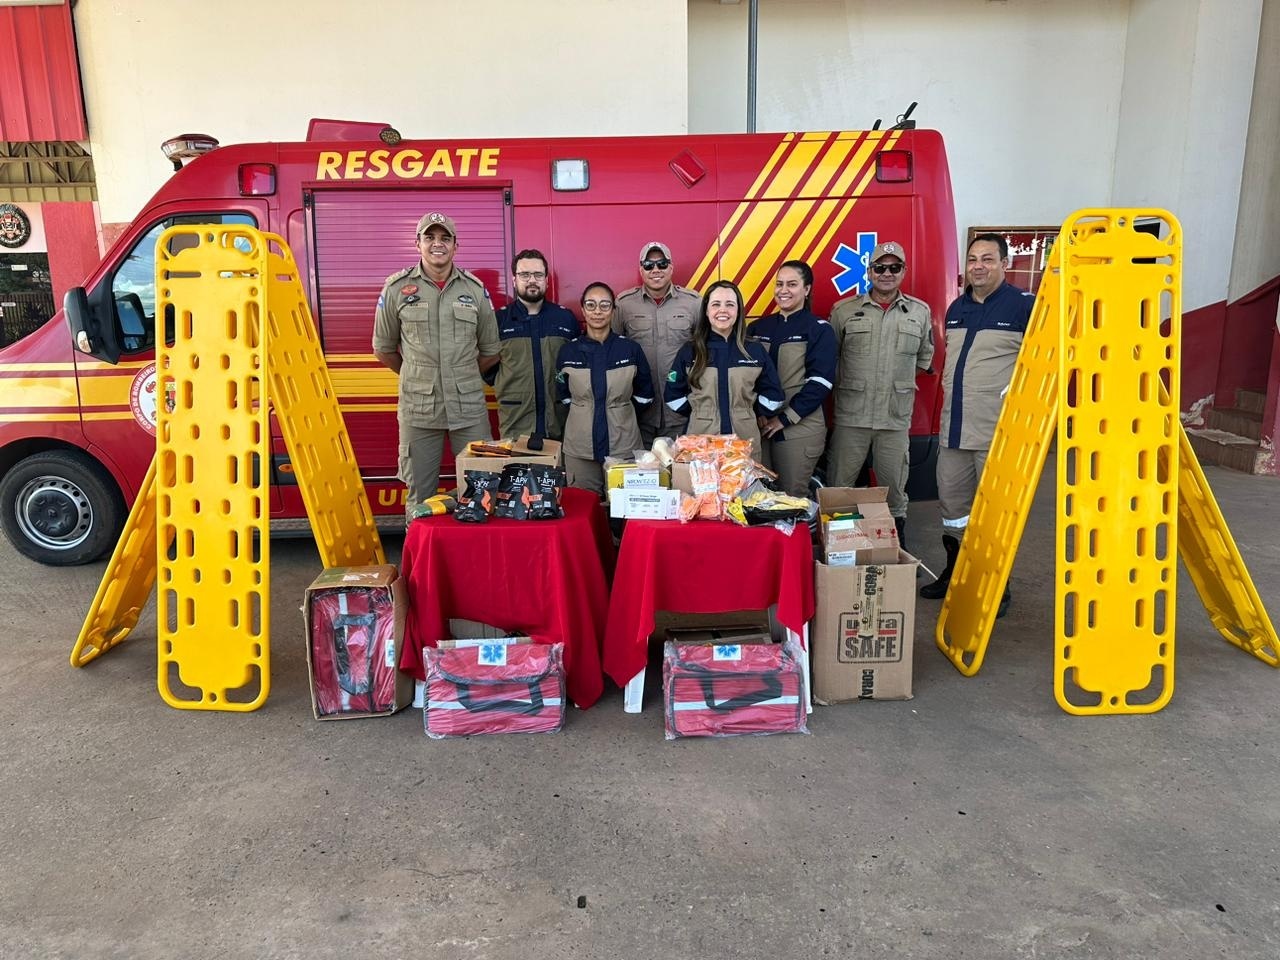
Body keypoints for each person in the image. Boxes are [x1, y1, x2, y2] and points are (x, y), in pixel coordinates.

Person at [920, 233, 1033, 615]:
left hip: (996, 433)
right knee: (953, 508)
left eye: (987, 258)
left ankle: (995, 585)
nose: (978, 266)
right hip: (954, 429)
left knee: (995, 514)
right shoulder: (956, 308)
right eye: (972, 259)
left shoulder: (1024, 308)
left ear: (1005, 263)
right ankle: (956, 573)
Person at [372, 211, 500, 511]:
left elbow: (492, 349)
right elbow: (383, 347)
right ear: (417, 243)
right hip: (419, 411)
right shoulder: (396, 289)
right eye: (429, 237)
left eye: (445, 238)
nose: (437, 244)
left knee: (480, 495)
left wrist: (462, 375)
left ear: (457, 245)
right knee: (420, 499)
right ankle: (420, 560)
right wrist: (416, 376)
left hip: (468, 409)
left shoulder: (474, 290)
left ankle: (473, 558)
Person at [827, 241, 935, 546]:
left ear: (903, 271)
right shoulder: (845, 311)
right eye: (880, 267)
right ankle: (840, 551)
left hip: (894, 419)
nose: (887, 273)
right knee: (840, 489)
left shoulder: (918, 312)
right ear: (869, 271)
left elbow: (923, 360)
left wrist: (891, 382)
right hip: (852, 418)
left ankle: (894, 549)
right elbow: (830, 359)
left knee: (895, 490)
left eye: (894, 267)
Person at [554, 282, 655, 497]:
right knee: (583, 508)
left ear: (613, 310)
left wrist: (619, 413)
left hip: (623, 446)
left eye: (604, 305)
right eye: (591, 305)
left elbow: (645, 396)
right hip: (580, 450)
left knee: (624, 513)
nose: (597, 311)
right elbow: (563, 397)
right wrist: (586, 414)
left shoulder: (630, 349)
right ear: (582, 309)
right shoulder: (568, 352)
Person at [664, 280, 785, 456]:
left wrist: (747, 412)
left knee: (743, 484)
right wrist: (701, 412)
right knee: (703, 483)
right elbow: (672, 395)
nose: (723, 310)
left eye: (730, 304)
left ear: (738, 311)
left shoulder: (754, 350)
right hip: (701, 439)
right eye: (716, 304)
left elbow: (774, 396)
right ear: (706, 311)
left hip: (744, 437)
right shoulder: (690, 351)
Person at [747, 260, 837, 497]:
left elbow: (820, 383)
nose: (783, 290)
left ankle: (800, 536)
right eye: (779, 284)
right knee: (759, 497)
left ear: (806, 289)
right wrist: (757, 414)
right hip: (761, 427)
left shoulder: (819, 329)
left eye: (792, 284)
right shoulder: (757, 328)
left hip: (799, 428)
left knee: (791, 497)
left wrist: (784, 419)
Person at [613, 241, 701, 447]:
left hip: (682, 413)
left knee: (681, 476)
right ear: (640, 270)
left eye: (662, 264)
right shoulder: (624, 304)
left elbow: (705, 352)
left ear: (671, 267)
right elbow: (612, 350)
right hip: (638, 414)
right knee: (642, 474)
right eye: (649, 265)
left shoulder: (694, 303)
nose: (656, 270)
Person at [492, 249, 580, 441]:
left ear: (547, 280)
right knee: (519, 471)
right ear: (514, 280)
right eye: (524, 274)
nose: (532, 280)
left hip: (560, 423)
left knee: (561, 471)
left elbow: (579, 367)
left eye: (538, 274)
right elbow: (488, 370)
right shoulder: (499, 321)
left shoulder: (565, 319)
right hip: (516, 422)